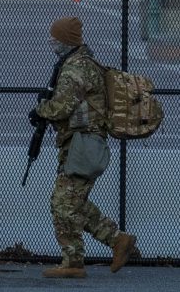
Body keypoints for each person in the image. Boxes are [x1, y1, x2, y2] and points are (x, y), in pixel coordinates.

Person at [32, 17, 136, 279]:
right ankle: (117, 240)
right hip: (82, 143)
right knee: (73, 202)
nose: (51, 43)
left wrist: (40, 110)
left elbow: (62, 106)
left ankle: (74, 261)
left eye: (54, 39)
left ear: (66, 41)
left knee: (62, 203)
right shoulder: (82, 62)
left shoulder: (74, 69)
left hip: (83, 144)